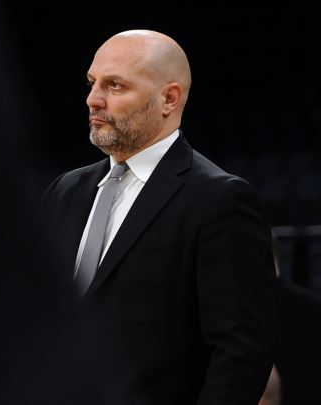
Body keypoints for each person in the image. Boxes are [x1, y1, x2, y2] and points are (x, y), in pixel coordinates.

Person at [40, 29, 277, 405]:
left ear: (169, 98)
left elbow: (241, 353)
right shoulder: (65, 190)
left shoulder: (219, 199)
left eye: (115, 85)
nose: (93, 99)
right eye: (92, 82)